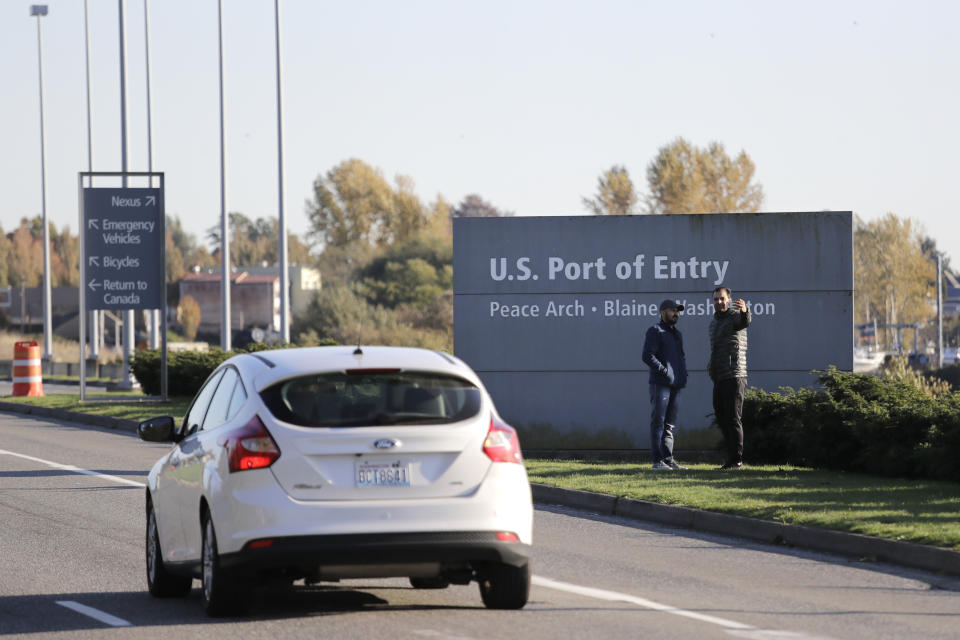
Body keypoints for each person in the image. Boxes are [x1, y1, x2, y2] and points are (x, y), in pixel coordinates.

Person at [642, 299, 688, 470]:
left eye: (677, 311)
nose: (675, 313)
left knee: (669, 424)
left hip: (676, 385)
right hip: (660, 383)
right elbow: (647, 355)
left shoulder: (677, 334)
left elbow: (680, 358)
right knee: (658, 422)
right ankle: (657, 461)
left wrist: (682, 375)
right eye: (672, 310)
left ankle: (668, 460)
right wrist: (663, 371)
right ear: (662, 312)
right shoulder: (655, 331)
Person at [708, 287, 751, 470]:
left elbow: (744, 321)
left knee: (733, 418)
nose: (719, 302)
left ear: (729, 299)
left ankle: (737, 460)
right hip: (719, 377)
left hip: (734, 375)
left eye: (722, 298)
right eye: (716, 299)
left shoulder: (734, 316)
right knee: (721, 417)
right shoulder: (713, 323)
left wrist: (745, 311)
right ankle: (731, 458)